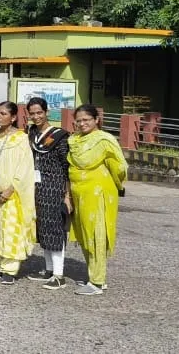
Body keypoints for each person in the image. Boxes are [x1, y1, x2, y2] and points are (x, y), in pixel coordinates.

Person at [68, 104, 127, 296]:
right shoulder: (74, 140)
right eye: (79, 120)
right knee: (84, 234)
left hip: (97, 193)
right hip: (79, 193)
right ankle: (92, 274)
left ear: (96, 120)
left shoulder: (105, 140)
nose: (82, 123)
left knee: (96, 235)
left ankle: (97, 281)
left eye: (87, 120)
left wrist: (112, 185)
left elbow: (119, 167)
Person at [0, 101, 35, 285]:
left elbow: (25, 168)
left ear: (13, 117)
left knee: (12, 228)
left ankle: (10, 269)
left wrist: (11, 189)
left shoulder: (21, 139)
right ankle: (0, 265)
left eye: (3, 113)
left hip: (12, 194)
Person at [23, 97, 71, 289]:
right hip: (36, 188)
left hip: (55, 188)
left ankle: (59, 275)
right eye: (32, 113)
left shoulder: (60, 136)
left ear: (46, 112)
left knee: (54, 230)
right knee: (42, 229)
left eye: (39, 113)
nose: (36, 116)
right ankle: (49, 270)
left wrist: (68, 195)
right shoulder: (31, 133)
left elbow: (67, 167)